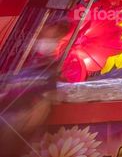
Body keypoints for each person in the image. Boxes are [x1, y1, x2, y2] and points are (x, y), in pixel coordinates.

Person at [0, 19, 70, 157]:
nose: (44, 39)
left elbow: (38, 113)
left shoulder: (51, 73)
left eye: (52, 37)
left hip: (13, 134)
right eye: (42, 36)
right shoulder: (27, 69)